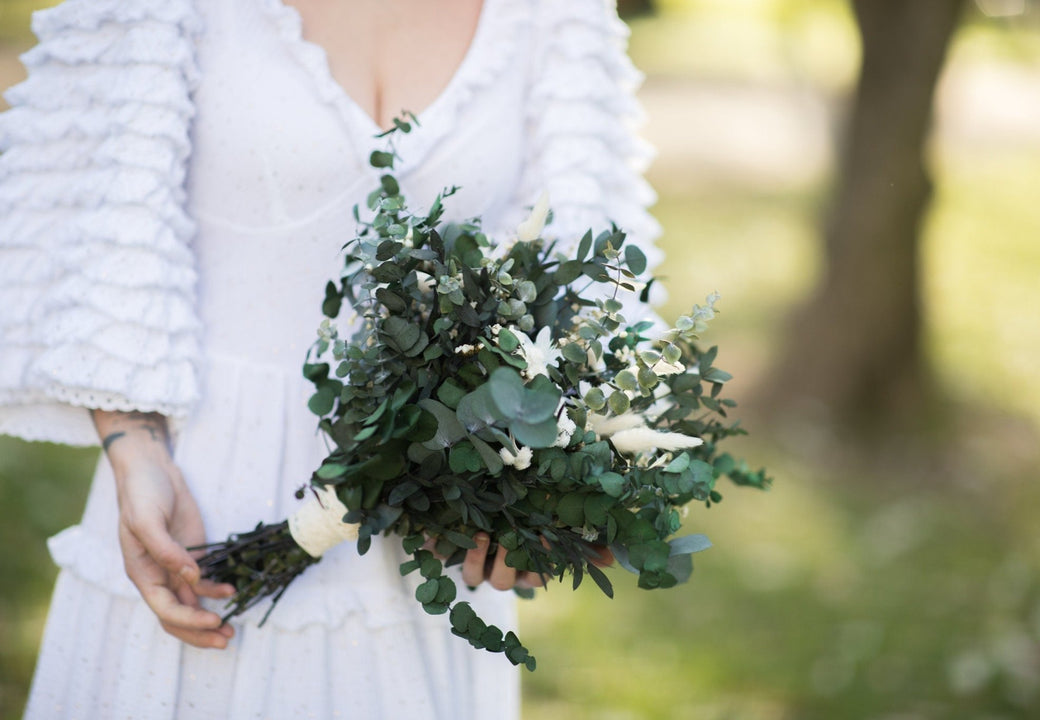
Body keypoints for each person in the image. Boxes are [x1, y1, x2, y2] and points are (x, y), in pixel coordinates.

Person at [0, 0, 662, 717]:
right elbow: (107, 239)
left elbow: (589, 296)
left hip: (426, 542)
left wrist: (550, 505)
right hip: (197, 498)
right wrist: (137, 455)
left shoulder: (555, 17)